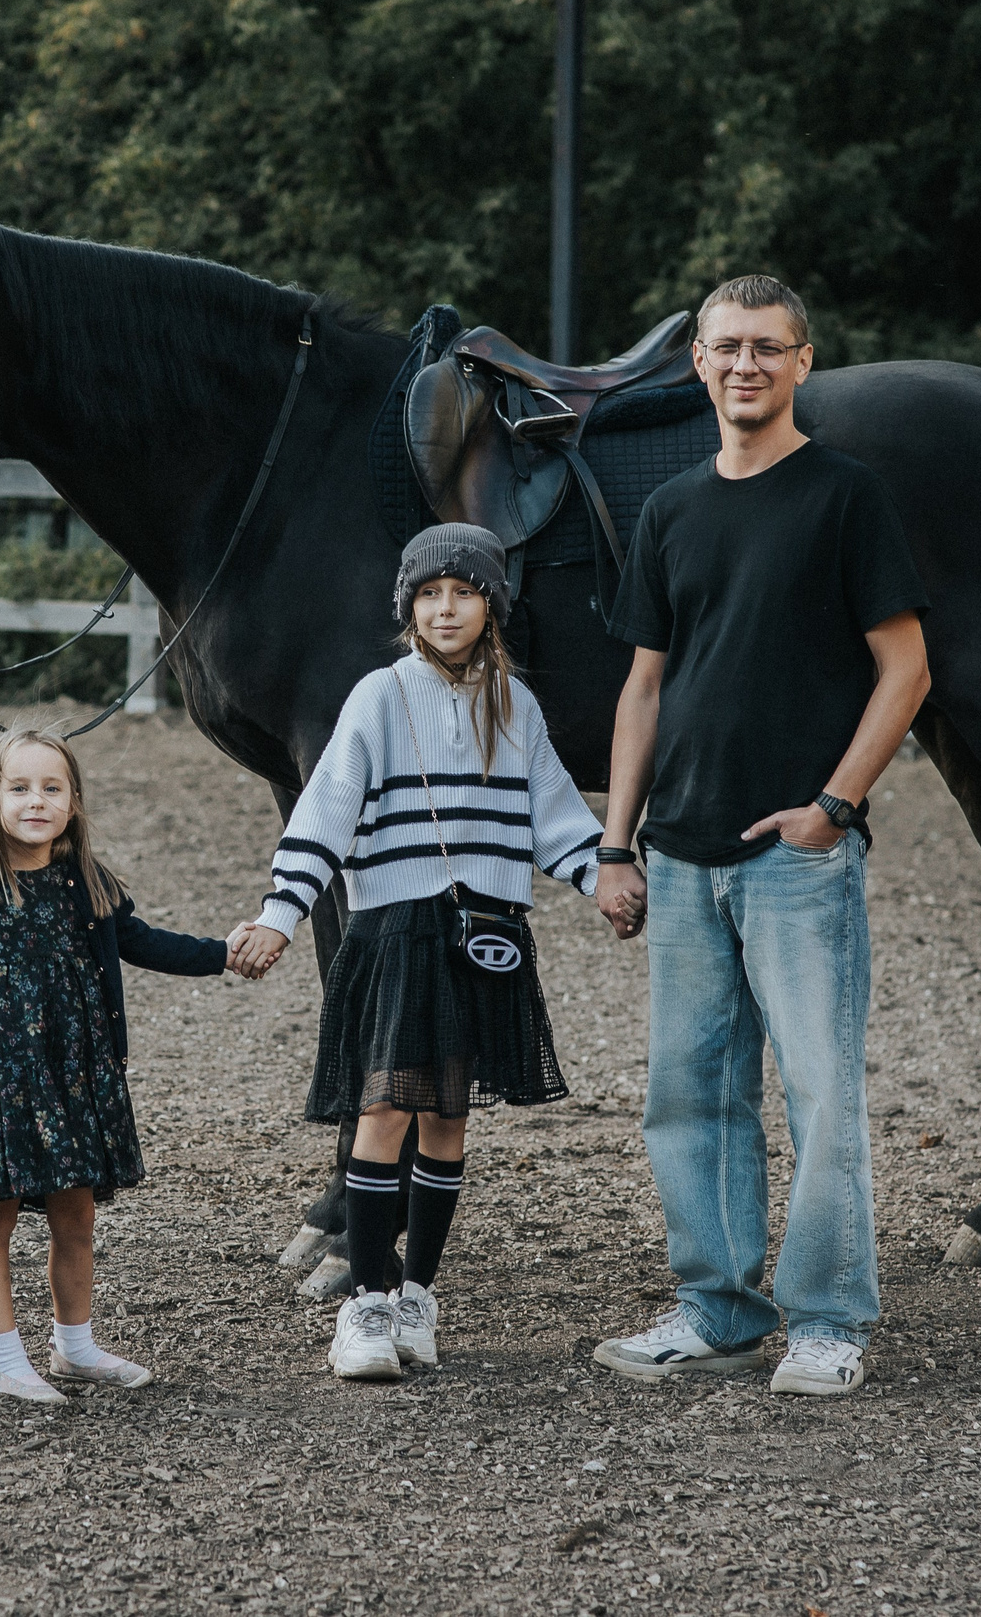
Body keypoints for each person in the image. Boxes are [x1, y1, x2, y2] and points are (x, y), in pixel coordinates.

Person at [588, 276, 930, 1399]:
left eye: (767, 348)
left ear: (801, 362)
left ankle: (827, 1322)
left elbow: (907, 670)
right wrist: (616, 843)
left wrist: (834, 807)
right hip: (680, 854)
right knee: (689, 1096)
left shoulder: (846, 496)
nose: (746, 365)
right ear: (697, 362)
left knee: (821, 1094)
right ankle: (718, 1310)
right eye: (727, 347)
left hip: (796, 856)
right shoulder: (672, 509)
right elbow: (643, 688)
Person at [230, 524, 604, 1382]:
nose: (446, 608)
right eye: (430, 593)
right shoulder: (379, 695)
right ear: (408, 607)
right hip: (397, 930)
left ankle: (417, 1299)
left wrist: (607, 877)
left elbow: (556, 815)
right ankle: (366, 1301)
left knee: (448, 1119)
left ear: (492, 606)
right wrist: (280, 913)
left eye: (464, 592)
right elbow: (324, 810)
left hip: (486, 933)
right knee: (386, 1110)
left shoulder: (515, 706)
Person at [0, 727, 244, 1403]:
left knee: (76, 1216)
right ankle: (2, 1358)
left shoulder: (86, 883)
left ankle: (74, 1346)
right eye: (19, 787)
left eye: (52, 788)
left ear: (74, 802)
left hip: (72, 1078)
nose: (36, 801)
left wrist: (222, 952)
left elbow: (144, 942)